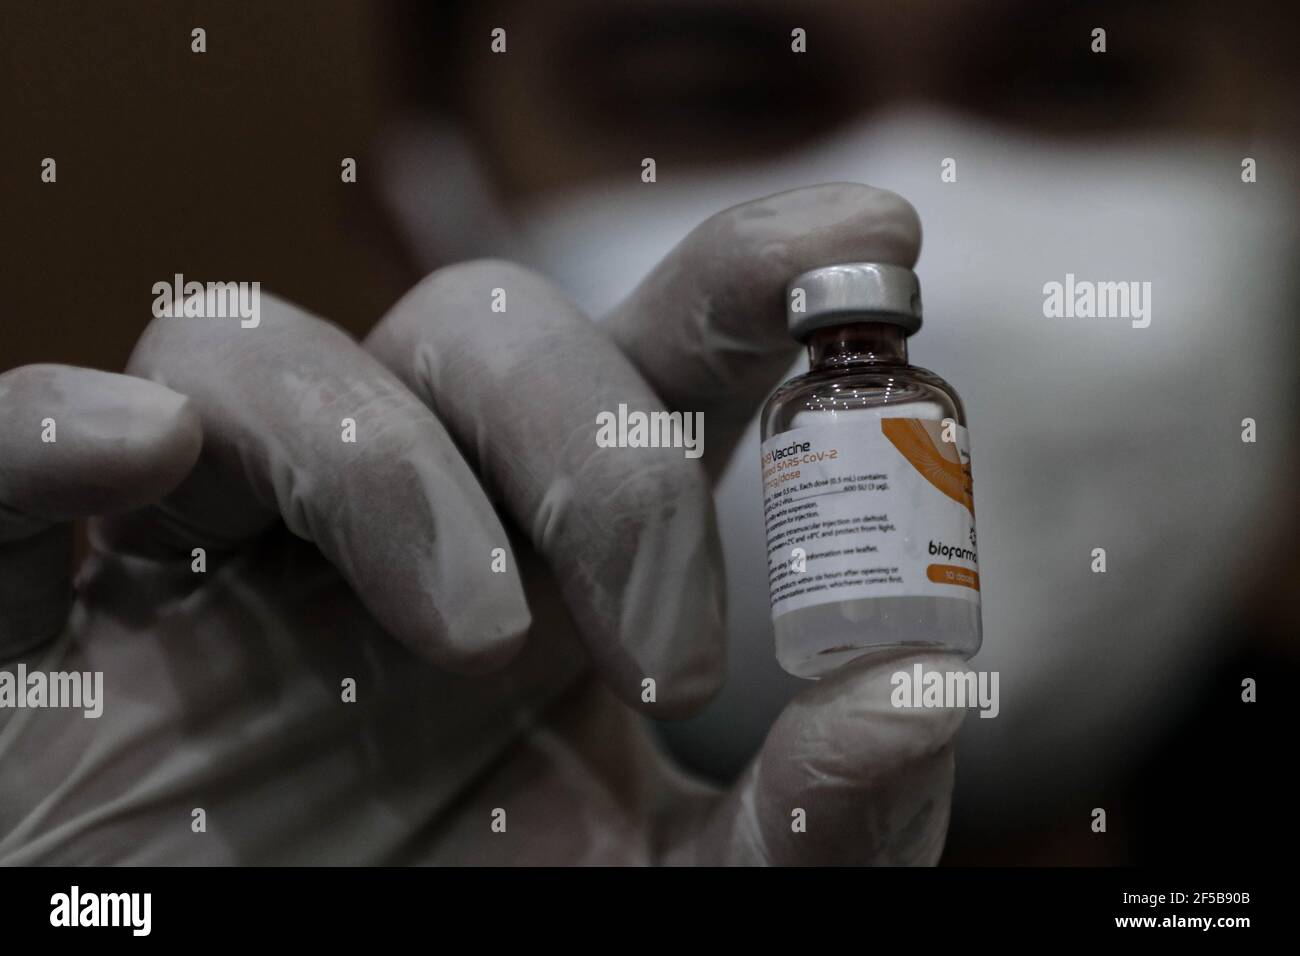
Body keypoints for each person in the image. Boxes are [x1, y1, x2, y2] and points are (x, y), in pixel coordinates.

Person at [2, 0, 1295, 864]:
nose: (920, 201)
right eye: (716, 96)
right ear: (420, 224)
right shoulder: (189, 780)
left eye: (1084, 73)